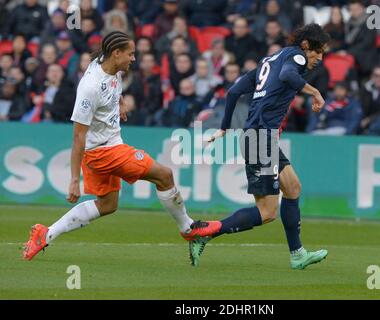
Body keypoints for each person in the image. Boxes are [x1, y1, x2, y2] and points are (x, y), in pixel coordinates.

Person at [22, 31, 221, 261]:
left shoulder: (106, 62)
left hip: (104, 148)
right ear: (116, 53)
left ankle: (45, 234)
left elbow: (113, 81)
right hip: (105, 152)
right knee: (164, 175)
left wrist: (119, 100)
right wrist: (74, 179)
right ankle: (189, 229)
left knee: (107, 205)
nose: (133, 58)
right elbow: (78, 137)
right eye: (131, 54)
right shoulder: (89, 89)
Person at [189, 24, 330, 269]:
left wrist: (224, 126)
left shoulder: (269, 60)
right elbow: (288, 75)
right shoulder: (295, 56)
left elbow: (233, 92)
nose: (320, 57)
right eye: (318, 51)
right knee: (267, 212)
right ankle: (206, 232)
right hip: (259, 139)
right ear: (306, 45)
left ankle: (297, 254)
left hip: (261, 137)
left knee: (293, 188)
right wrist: (315, 92)